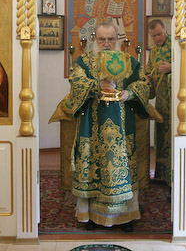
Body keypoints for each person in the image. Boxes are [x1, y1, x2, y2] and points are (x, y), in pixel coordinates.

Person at [69, 22, 151, 232]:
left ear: (117, 40)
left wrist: (129, 93)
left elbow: (144, 84)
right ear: (95, 39)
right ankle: (91, 216)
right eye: (102, 39)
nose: (106, 43)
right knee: (93, 169)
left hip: (122, 127)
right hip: (92, 126)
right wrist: (96, 86)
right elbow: (76, 82)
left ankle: (124, 217)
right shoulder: (84, 62)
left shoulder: (129, 62)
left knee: (122, 169)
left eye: (111, 39)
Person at [144, 19, 172, 186]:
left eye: (160, 34)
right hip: (161, 102)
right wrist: (147, 77)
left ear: (165, 30)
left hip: (174, 101)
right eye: (153, 36)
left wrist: (172, 67)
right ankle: (161, 175)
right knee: (161, 136)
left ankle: (172, 176)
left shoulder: (175, 46)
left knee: (171, 137)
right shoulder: (153, 51)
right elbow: (149, 70)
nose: (157, 38)